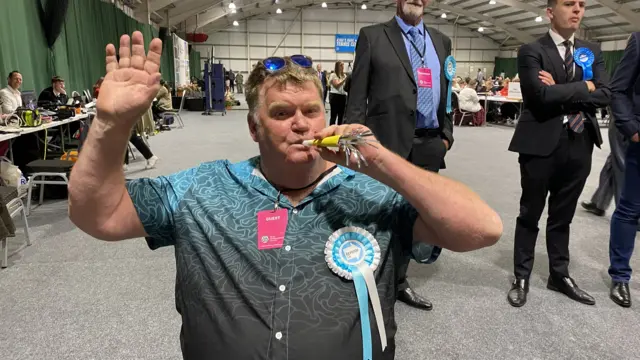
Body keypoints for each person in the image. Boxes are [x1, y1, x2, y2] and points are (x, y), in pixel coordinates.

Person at [68, 31, 502, 359]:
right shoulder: (201, 189)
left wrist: (384, 162)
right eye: (281, 113)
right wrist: (110, 123)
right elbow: (99, 216)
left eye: (310, 110)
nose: (300, 123)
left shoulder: (374, 194)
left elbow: (482, 230)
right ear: (254, 128)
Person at [345, 0, 454, 311]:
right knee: (377, 215)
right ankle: (366, 280)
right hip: (385, 145)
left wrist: (446, 135)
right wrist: (356, 143)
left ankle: (399, 281)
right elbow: (356, 98)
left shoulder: (441, 41)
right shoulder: (373, 36)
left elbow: (446, 93)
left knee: (412, 218)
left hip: (429, 145)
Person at [506, 0, 611, 308]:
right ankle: (521, 275)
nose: (577, 10)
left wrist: (563, 87)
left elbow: (606, 93)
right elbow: (538, 98)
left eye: (581, 5)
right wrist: (585, 86)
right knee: (530, 213)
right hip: (540, 143)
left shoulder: (591, 50)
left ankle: (559, 274)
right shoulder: (531, 50)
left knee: (563, 215)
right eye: (569, 4)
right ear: (550, 12)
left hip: (580, 142)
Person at [607, 32, 640, 308]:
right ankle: (620, 276)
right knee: (629, 209)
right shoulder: (639, 40)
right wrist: (631, 128)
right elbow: (618, 89)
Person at [328, 61, 347, 125]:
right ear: (337, 66)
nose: (343, 67)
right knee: (333, 116)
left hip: (343, 96)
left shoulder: (344, 75)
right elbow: (337, 85)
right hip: (335, 96)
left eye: (343, 65)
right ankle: (331, 132)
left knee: (341, 116)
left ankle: (339, 132)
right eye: (341, 65)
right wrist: (345, 79)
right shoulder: (333, 75)